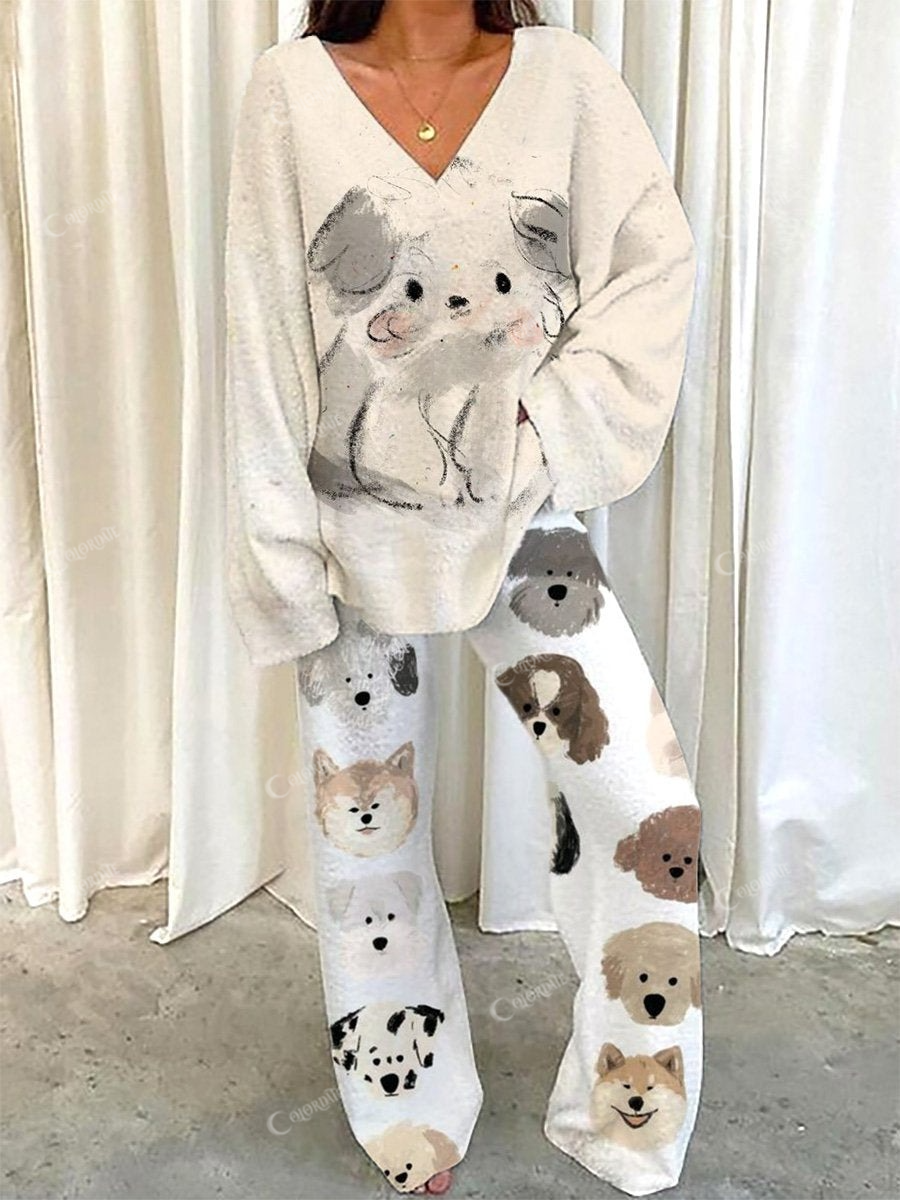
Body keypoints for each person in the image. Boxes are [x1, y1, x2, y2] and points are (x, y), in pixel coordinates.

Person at [224, 1, 701, 1195]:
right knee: (366, 839)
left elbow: (655, 264)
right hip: (347, 526)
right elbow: (263, 329)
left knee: (644, 806)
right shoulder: (291, 92)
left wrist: (541, 420)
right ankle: (407, 1107)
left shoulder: (567, 81)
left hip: (519, 515)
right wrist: (282, 554)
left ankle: (631, 1103)